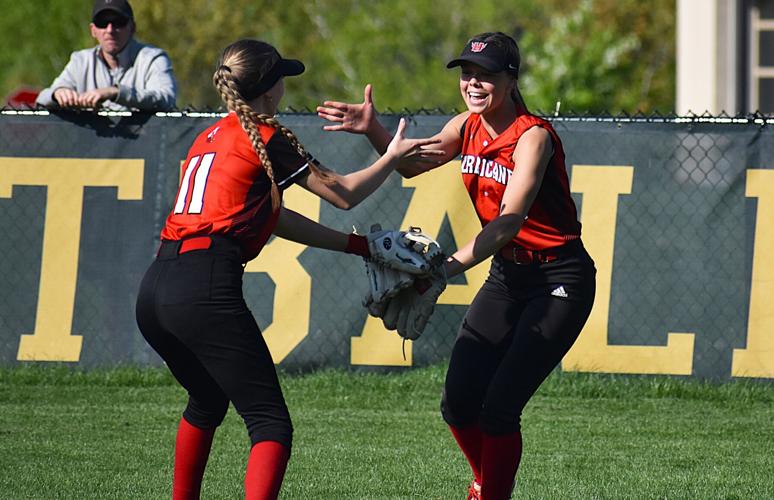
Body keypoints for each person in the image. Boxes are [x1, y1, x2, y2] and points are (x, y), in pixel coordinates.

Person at [135, 39, 442, 500]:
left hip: (157, 287)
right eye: (281, 77)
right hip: (204, 285)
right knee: (270, 424)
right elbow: (343, 193)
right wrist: (392, 157)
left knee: (207, 400)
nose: (284, 86)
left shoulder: (210, 137)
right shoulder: (265, 135)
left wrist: (358, 246)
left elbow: (272, 216)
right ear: (269, 89)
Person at [317, 32, 596, 499]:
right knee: (459, 402)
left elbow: (506, 224)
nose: (473, 83)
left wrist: (440, 269)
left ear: (511, 80)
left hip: (558, 278)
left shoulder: (533, 137)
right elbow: (410, 165)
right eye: (467, 74)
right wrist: (373, 129)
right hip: (508, 276)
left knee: (500, 409)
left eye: (486, 75)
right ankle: (485, 482)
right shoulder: (465, 125)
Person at [35, 0, 176, 111]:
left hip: (144, 140)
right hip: (91, 140)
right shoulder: (80, 61)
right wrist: (58, 94)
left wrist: (116, 92)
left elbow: (166, 98)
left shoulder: (153, 59)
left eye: (118, 22)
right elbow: (42, 98)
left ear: (132, 28)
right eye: (102, 23)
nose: (110, 30)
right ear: (93, 30)